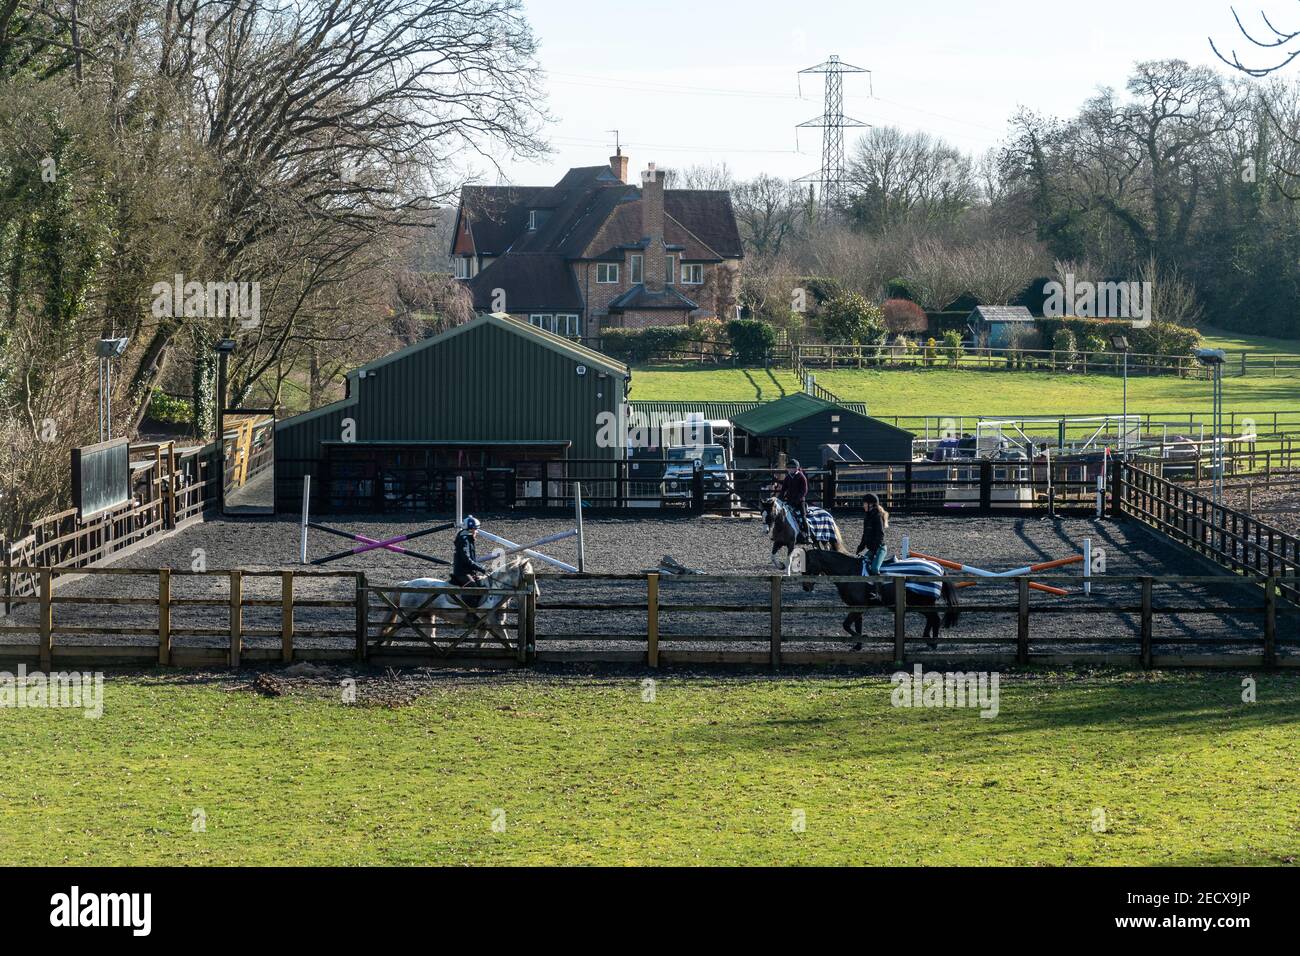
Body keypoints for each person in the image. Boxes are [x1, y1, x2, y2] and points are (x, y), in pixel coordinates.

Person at [777, 459, 810, 542]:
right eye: (789, 468)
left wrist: (797, 499)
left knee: (803, 517)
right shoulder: (788, 478)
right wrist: (779, 499)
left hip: (800, 501)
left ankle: (808, 535)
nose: (790, 469)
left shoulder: (801, 477)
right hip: (789, 500)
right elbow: (783, 490)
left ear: (797, 468)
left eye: (792, 468)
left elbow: (804, 491)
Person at [451, 515, 489, 587]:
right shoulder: (464, 540)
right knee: (473, 588)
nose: (476, 532)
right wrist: (481, 568)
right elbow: (467, 560)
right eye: (475, 529)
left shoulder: (468, 539)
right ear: (470, 530)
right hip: (462, 573)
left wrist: (481, 567)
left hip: (469, 572)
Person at [856, 493, 889, 575]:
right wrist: (861, 547)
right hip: (872, 549)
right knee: (863, 564)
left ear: (871, 504)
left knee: (874, 569)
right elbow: (865, 534)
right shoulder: (867, 517)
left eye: (864, 504)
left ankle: (879, 587)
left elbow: (880, 535)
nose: (863, 506)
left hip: (880, 548)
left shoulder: (877, 517)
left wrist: (874, 548)